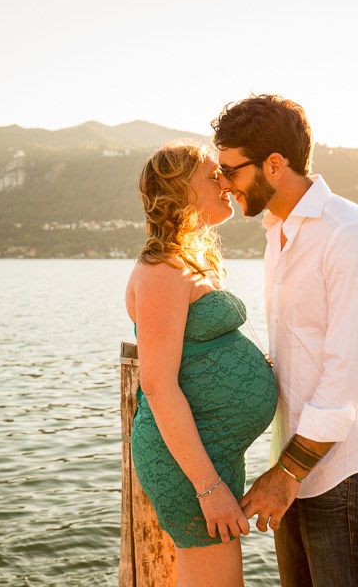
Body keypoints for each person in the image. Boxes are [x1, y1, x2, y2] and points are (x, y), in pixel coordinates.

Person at [213, 94, 358, 586]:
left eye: (231, 170)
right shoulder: (278, 231)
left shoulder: (348, 233)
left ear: (275, 164)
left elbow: (345, 376)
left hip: (340, 476)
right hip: (291, 468)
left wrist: (285, 475)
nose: (224, 185)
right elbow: (299, 353)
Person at [125, 141, 278, 586]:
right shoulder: (161, 271)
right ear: (180, 192)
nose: (225, 183)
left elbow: (195, 351)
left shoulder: (187, 263)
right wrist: (209, 489)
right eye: (213, 176)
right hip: (191, 464)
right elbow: (157, 386)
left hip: (214, 449)